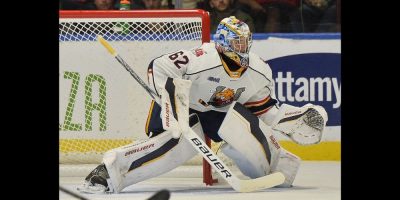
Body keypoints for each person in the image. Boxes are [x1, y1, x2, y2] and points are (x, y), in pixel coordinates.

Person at [78, 16, 328, 193]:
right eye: (238, 43)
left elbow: (264, 108)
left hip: (219, 113)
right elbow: (158, 66)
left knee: (248, 132)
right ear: (224, 42)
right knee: (178, 147)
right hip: (181, 104)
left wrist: (293, 117)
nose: (244, 48)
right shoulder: (200, 58)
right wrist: (171, 103)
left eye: (246, 43)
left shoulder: (259, 70)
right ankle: (110, 172)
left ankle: (279, 166)